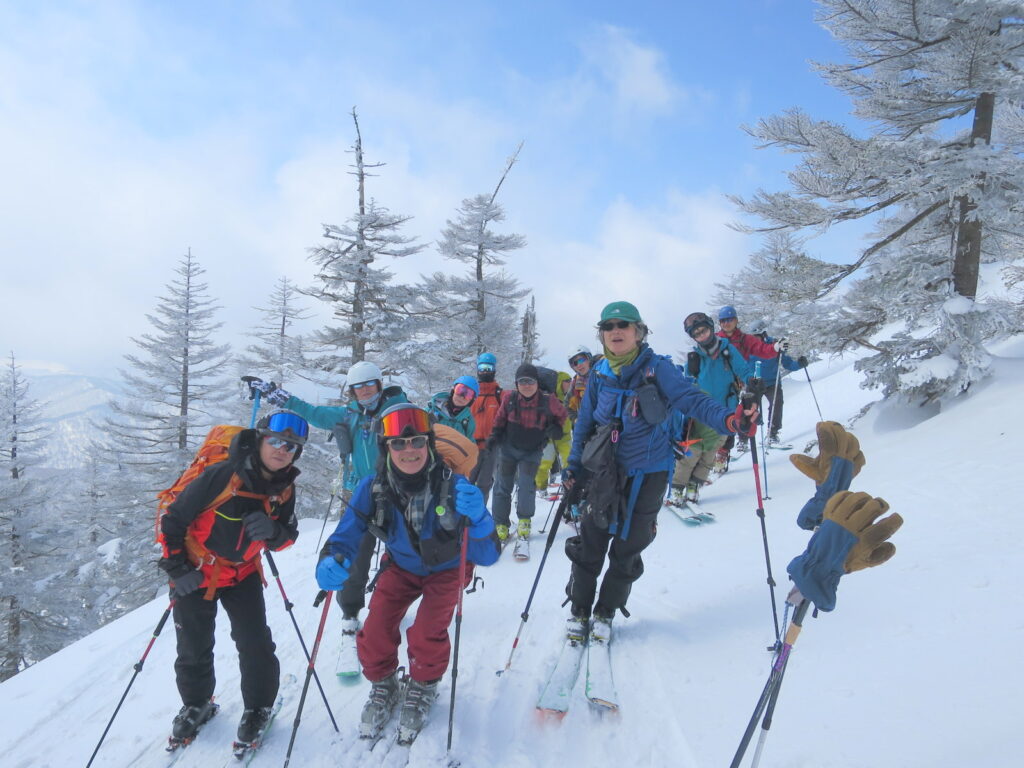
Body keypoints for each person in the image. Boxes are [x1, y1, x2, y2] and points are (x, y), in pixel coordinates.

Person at [561, 301, 758, 642]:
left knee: (629, 546)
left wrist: (730, 420)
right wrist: (574, 467)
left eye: (624, 325)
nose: (616, 331)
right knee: (591, 541)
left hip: (649, 472)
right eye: (608, 327)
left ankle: (606, 611)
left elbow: (693, 400)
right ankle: (579, 609)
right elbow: (584, 424)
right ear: (602, 335)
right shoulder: (598, 374)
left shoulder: (658, 369)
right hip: (604, 471)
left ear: (638, 332)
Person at [315, 404, 500, 745]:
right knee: (374, 629)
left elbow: (487, 555)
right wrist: (331, 558)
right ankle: (384, 684)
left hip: (447, 569)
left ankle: (424, 685)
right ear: (386, 448)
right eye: (398, 443)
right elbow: (348, 533)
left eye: (416, 441)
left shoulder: (455, 487)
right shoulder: (373, 487)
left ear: (429, 443)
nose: (408, 450)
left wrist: (480, 519)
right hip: (401, 566)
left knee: (427, 631)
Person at [158, 411, 308, 747]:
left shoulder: (284, 488)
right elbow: (173, 520)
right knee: (193, 644)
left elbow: (287, 537)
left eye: (291, 446)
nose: (282, 450)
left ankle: (258, 708)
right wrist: (178, 570)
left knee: (254, 643)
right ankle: (196, 704)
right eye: (276, 441)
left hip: (243, 573)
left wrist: (273, 531)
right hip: (197, 571)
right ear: (260, 439)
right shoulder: (222, 475)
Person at [249, 361, 409, 641]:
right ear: (352, 392)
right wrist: (279, 396)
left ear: (379, 385)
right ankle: (350, 611)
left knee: (402, 552)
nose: (364, 391)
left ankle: (395, 604)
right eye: (358, 388)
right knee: (355, 555)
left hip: (398, 492)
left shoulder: (397, 412)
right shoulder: (347, 415)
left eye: (369, 385)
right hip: (361, 494)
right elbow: (313, 413)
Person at [672, 311, 753, 504]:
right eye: (697, 334)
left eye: (704, 331)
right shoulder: (694, 358)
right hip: (700, 414)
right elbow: (686, 385)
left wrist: (753, 382)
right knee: (691, 453)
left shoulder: (727, 350)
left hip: (725, 413)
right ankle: (677, 488)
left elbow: (743, 370)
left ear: (711, 328)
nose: (702, 336)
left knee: (709, 454)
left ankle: (694, 486)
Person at [487, 362, 569, 547]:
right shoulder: (509, 398)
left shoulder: (548, 401)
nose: (526, 385)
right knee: (503, 486)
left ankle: (524, 520)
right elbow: (499, 419)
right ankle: (500, 523)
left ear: (537, 383)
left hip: (532, 451)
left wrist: (556, 428)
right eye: (522, 381)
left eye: (530, 381)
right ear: (517, 384)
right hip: (508, 449)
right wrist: (494, 436)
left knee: (526, 485)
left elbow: (563, 415)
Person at [716, 305, 786, 455]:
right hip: (719, 384)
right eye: (723, 321)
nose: (726, 323)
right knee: (720, 416)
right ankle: (723, 451)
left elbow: (762, 349)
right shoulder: (715, 340)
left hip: (738, 384)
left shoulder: (744, 339)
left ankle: (732, 447)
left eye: (729, 320)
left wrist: (775, 347)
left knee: (742, 412)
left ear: (736, 320)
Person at [749, 328, 808, 446]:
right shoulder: (748, 348)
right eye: (753, 337)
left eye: (757, 336)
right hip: (754, 383)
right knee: (748, 408)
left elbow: (788, 364)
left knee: (777, 403)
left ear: (763, 335)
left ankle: (772, 433)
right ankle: (743, 439)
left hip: (772, 383)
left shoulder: (774, 345)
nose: (755, 340)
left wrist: (799, 364)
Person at [469, 352, 503, 502]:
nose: (485, 372)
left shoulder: (499, 395)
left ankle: (480, 511)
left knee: (485, 483)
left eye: (489, 368)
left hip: (491, 447)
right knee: (467, 481)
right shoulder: (470, 393)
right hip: (471, 446)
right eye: (482, 368)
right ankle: (463, 514)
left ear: (494, 370)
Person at [534, 369, 574, 496]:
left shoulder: (570, 397)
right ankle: (541, 487)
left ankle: (567, 485)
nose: (569, 384)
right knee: (544, 464)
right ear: (561, 382)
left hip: (565, 436)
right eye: (567, 381)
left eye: (570, 381)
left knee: (569, 462)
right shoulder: (548, 396)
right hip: (548, 437)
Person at [426, 375, 478, 440]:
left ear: (471, 400)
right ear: (453, 391)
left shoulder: (468, 422)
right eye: (459, 390)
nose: (462, 397)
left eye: (468, 395)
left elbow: (469, 443)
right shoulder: (432, 410)